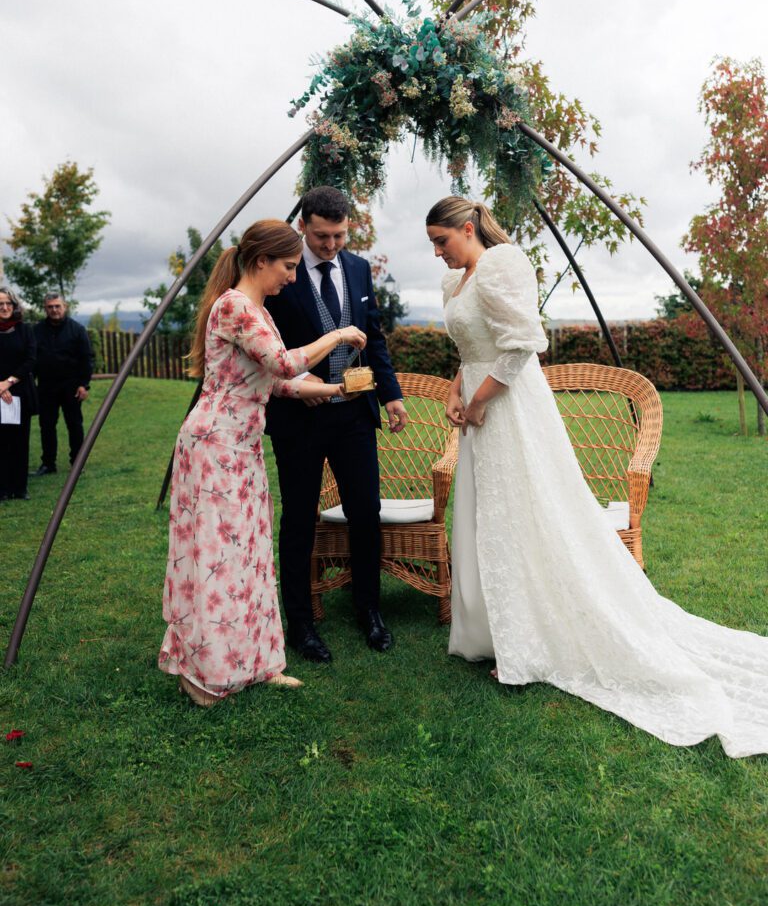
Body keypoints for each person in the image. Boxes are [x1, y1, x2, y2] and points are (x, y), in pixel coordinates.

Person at [427, 195, 768, 758]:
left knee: (523, 516)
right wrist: (453, 392)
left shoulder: (503, 264)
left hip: (510, 410)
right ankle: (493, 632)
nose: (438, 252)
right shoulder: (453, 284)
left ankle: (531, 644)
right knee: (489, 518)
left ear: (469, 228)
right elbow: (469, 353)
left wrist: (482, 400)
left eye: (443, 240)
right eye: (433, 244)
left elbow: (521, 347)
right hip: (478, 410)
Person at [158, 219, 367, 706]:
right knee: (214, 561)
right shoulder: (234, 307)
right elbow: (286, 363)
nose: (293, 277)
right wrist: (338, 335)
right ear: (260, 262)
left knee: (249, 556)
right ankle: (204, 674)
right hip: (213, 447)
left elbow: (277, 385)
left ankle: (257, 663)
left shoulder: (258, 310)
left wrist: (336, 390)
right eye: (289, 267)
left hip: (243, 446)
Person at [265, 186, 408, 662]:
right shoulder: (282, 273)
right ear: (303, 226)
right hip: (300, 416)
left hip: (354, 415)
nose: (331, 246)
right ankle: (301, 623)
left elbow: (376, 339)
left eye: (340, 235)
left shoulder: (358, 268)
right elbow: (271, 347)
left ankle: (370, 608)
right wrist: (299, 382)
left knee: (365, 513)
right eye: (322, 236)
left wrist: (391, 397)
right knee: (299, 520)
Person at [33, 293, 94, 475]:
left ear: (65, 307)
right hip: (46, 386)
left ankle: (77, 463)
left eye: (57, 306)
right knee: (47, 425)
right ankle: (48, 463)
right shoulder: (36, 331)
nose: (54, 310)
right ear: (45, 309)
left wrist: (84, 385)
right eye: (50, 307)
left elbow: (87, 359)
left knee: (74, 425)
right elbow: (32, 358)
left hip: (72, 386)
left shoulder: (77, 330)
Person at [0, 287, 37, 501]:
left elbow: (31, 359)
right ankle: (2, 489)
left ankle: (19, 488)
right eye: (0, 304)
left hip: (20, 392)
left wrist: (8, 382)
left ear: (14, 306)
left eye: (8, 304)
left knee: (19, 441)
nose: (4, 307)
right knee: (1, 442)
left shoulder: (25, 329)